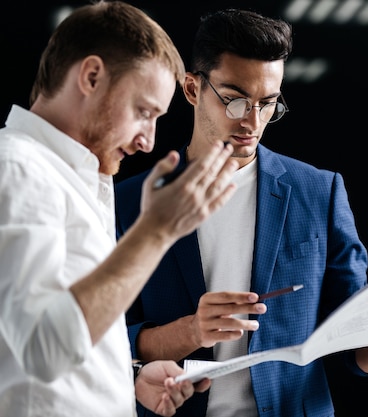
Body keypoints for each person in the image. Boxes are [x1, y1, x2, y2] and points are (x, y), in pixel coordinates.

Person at [115, 8, 368, 417]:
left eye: (268, 103)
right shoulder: (130, 202)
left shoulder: (319, 194)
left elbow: (352, 347)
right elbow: (105, 340)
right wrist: (190, 331)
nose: (253, 121)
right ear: (192, 89)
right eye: (235, 100)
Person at [0, 2, 239, 416]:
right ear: (91, 77)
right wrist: (155, 233)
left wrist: (124, 379)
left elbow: (55, 339)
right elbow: (40, 350)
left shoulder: (67, 177)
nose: (148, 141)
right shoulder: (19, 171)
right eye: (144, 112)